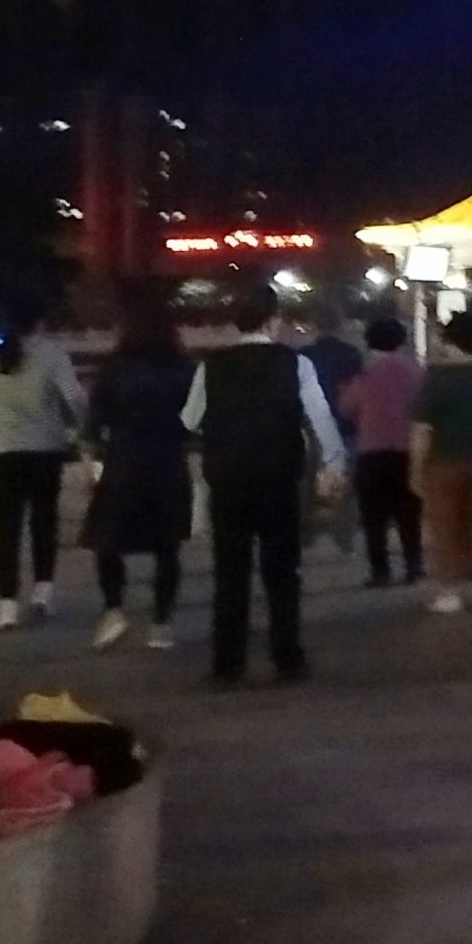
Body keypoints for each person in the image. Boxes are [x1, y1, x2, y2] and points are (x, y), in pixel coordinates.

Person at [184, 286, 347, 685]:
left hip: (228, 477)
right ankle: (287, 658)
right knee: (282, 570)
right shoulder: (297, 364)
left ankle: (228, 664)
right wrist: (334, 461)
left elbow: (189, 419)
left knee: (230, 571)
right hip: (279, 475)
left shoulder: (212, 365)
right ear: (273, 320)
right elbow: (320, 416)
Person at [81, 303, 192, 651]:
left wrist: (91, 462)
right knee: (167, 548)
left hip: (124, 463)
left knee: (108, 541)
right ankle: (161, 624)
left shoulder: (114, 369)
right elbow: (195, 420)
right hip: (168, 464)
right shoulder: (182, 369)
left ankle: (114, 609)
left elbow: (93, 424)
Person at [0, 305, 86, 630]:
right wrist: (82, 426)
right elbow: (75, 399)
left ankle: (6, 607)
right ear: (39, 323)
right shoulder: (53, 356)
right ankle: (42, 592)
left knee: (6, 531)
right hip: (45, 450)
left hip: (1, 452)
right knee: (44, 522)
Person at [412, 309, 472, 614]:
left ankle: (450, 591)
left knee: (445, 527)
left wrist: (415, 468)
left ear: (451, 340)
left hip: (444, 460)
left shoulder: (436, 377)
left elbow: (422, 428)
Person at [340, 316, 425, 587]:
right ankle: (413, 565)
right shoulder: (416, 372)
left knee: (374, 517)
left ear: (369, 342)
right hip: (407, 449)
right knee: (409, 513)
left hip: (372, 451)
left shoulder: (365, 374)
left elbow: (347, 408)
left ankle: (380, 571)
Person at [300, 303, 365, 557]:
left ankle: (304, 535)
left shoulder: (305, 355)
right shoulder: (350, 354)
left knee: (307, 481)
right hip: (345, 425)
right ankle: (344, 537)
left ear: (314, 325)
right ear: (340, 324)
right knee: (344, 483)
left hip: (313, 425)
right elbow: (357, 389)